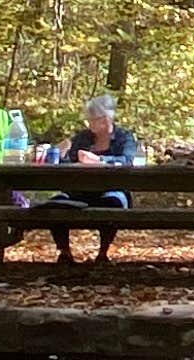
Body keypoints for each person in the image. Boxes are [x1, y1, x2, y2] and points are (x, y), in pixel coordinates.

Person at [38, 94, 141, 263]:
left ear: (107, 119)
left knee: (114, 203)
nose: (90, 124)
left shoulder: (124, 137)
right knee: (56, 205)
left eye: (94, 119)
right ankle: (64, 252)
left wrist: (100, 160)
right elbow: (67, 161)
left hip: (111, 189)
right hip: (78, 191)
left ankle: (103, 252)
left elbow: (126, 160)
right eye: (90, 119)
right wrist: (58, 154)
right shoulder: (83, 137)